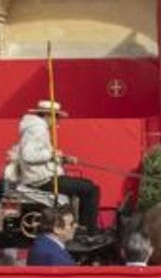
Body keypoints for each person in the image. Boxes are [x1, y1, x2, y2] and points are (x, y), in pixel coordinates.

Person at [11, 100, 102, 234]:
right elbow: (28, 156)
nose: (58, 120)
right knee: (91, 189)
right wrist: (52, 154)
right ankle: (88, 230)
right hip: (42, 179)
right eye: (57, 117)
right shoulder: (37, 129)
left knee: (88, 185)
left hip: (44, 175)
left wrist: (62, 158)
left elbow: (42, 155)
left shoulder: (38, 128)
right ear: (48, 115)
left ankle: (83, 226)